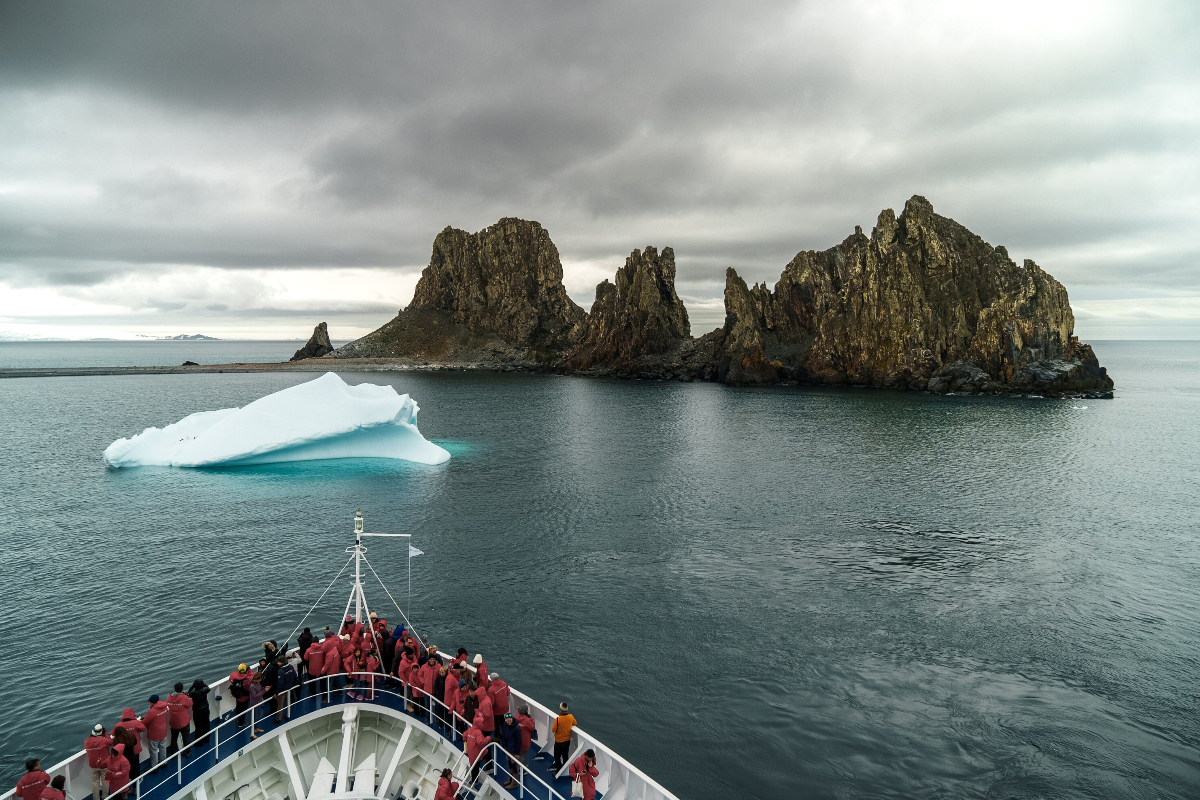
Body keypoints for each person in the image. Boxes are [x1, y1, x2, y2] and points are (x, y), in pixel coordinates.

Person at [111, 709, 144, 788]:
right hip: (135, 749)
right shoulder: (135, 723)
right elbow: (142, 728)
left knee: (125, 767)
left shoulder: (118, 725)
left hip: (123, 752)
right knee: (136, 765)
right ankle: (138, 779)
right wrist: (137, 721)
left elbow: (113, 733)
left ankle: (128, 780)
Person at [166, 682, 194, 758]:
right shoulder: (184, 697)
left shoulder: (169, 697)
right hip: (183, 722)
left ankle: (173, 752)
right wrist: (185, 695)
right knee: (185, 737)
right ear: (182, 689)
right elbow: (190, 704)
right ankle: (187, 752)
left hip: (173, 722)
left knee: (174, 737)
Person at [496, 714, 523, 790]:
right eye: (507, 721)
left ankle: (514, 783)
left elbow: (519, 741)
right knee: (510, 765)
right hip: (508, 749)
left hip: (514, 750)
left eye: (510, 720)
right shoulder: (505, 725)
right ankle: (510, 780)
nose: (509, 722)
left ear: (512, 719)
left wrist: (517, 753)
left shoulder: (517, 728)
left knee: (514, 767)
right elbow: (504, 736)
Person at [463, 713, 492, 782]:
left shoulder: (470, 729)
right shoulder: (478, 732)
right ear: (479, 724)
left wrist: (466, 740)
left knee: (473, 765)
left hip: (471, 751)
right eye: (482, 723)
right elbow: (481, 742)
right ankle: (489, 769)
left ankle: (474, 780)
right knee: (487, 753)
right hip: (477, 752)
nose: (483, 724)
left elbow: (464, 735)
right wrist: (488, 738)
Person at [143, 695, 170, 771]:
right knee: (163, 748)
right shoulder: (164, 707)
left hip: (154, 734)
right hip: (163, 732)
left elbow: (144, 722)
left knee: (154, 751)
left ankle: (154, 767)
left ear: (151, 703)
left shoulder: (152, 711)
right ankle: (164, 762)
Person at [85, 725, 111, 800]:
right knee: (105, 781)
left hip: (93, 764)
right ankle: (105, 797)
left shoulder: (86, 742)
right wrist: (105, 733)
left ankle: (96, 798)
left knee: (95, 782)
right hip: (104, 764)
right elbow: (110, 742)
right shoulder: (103, 740)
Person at [551, 702, 577, 773]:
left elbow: (553, 730)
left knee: (557, 757)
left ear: (560, 709)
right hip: (567, 741)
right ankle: (565, 771)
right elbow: (575, 723)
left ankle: (558, 770)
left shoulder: (558, 719)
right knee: (565, 756)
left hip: (559, 742)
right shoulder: (570, 717)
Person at [187, 680, 211, 748]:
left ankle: (199, 742)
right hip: (205, 709)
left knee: (198, 726)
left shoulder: (193, 693)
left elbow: (188, 693)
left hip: (197, 711)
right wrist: (203, 684)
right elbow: (208, 688)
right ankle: (206, 739)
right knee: (206, 724)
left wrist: (192, 687)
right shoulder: (205, 690)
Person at [274, 656, 297, 723]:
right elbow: (295, 676)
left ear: (282, 662)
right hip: (289, 689)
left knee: (280, 705)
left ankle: (278, 719)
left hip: (282, 691)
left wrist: (277, 692)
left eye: (278, 662)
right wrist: (298, 682)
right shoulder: (291, 667)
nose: (277, 663)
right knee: (288, 702)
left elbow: (280, 683)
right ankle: (287, 715)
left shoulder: (280, 671)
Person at [305, 633, 327, 700]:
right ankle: (324, 694)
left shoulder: (308, 650)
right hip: (321, 668)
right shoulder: (323, 648)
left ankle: (313, 694)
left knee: (312, 682)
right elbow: (326, 655)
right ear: (318, 641)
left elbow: (305, 658)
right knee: (323, 681)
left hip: (312, 669)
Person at [431, 664, 449, 731]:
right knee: (440, 711)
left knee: (446, 711)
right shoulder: (438, 677)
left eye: (443, 672)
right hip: (440, 697)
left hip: (446, 697)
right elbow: (436, 686)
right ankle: (441, 723)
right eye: (441, 672)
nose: (442, 674)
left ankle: (446, 723)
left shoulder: (447, 678)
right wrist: (437, 694)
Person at [248, 673, 265, 737]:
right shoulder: (252, 686)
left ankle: (256, 728)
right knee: (254, 718)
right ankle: (252, 733)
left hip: (258, 703)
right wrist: (264, 691)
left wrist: (264, 688)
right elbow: (255, 696)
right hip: (254, 704)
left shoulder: (258, 683)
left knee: (258, 716)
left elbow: (259, 690)